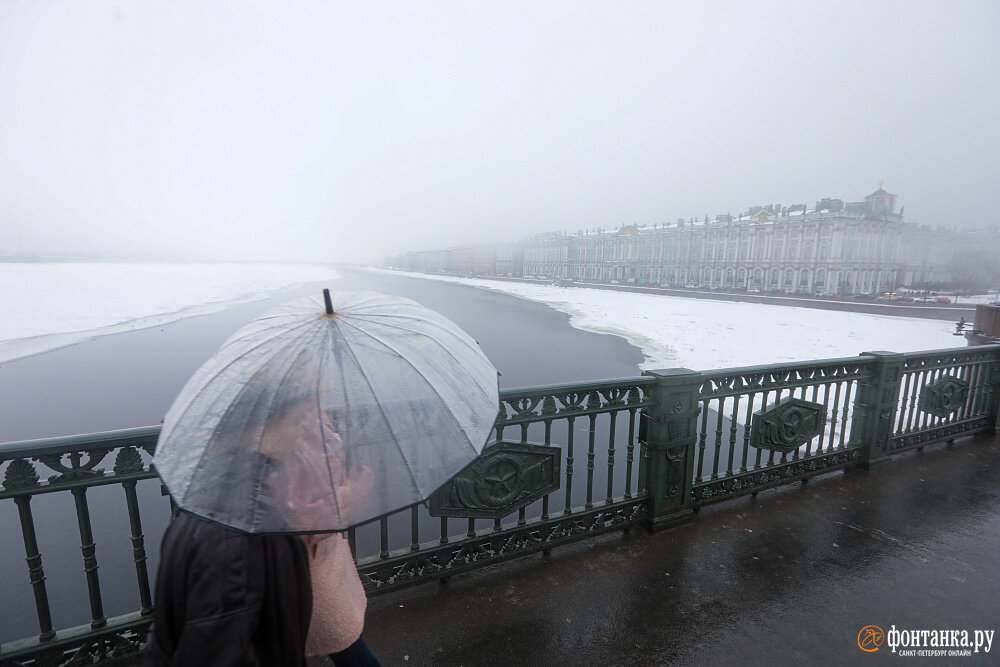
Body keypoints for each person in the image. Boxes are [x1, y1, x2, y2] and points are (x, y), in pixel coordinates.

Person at [145, 387, 381, 666]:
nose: (301, 428)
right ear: (263, 428)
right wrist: (348, 498)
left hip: (309, 569)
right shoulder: (237, 531)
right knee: (346, 646)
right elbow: (220, 642)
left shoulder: (219, 490)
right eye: (296, 421)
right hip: (305, 570)